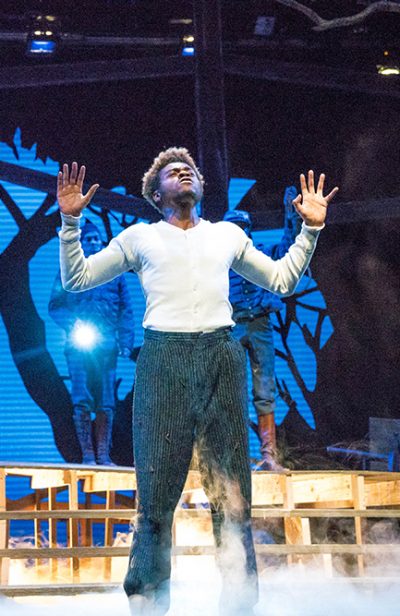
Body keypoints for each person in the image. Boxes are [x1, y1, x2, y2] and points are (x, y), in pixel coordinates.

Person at [56, 151, 338, 615]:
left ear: (201, 189)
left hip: (220, 357)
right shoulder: (140, 237)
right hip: (163, 358)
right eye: (171, 170)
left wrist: (310, 230)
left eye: (189, 169)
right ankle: (148, 606)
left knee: (232, 496)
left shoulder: (226, 234)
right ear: (155, 193)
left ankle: (238, 606)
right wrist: (69, 223)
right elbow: (78, 278)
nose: (183, 172)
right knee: (155, 501)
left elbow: (283, 280)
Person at [223, 186, 302, 471]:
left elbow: (288, 249)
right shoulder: (219, 263)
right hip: (230, 328)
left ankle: (269, 455)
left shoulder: (262, 254)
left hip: (259, 324)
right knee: (229, 392)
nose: (239, 234)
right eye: (234, 229)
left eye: (243, 229)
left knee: (265, 389)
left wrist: (290, 217)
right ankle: (233, 456)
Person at [49, 220, 134, 466]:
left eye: (97, 240)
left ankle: (103, 455)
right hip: (78, 348)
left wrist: (126, 342)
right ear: (82, 244)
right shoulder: (69, 270)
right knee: (82, 400)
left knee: (106, 402)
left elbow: (126, 310)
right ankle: (87, 455)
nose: (94, 243)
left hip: (107, 348)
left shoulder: (114, 274)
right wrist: (72, 323)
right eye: (89, 240)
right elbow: (55, 306)